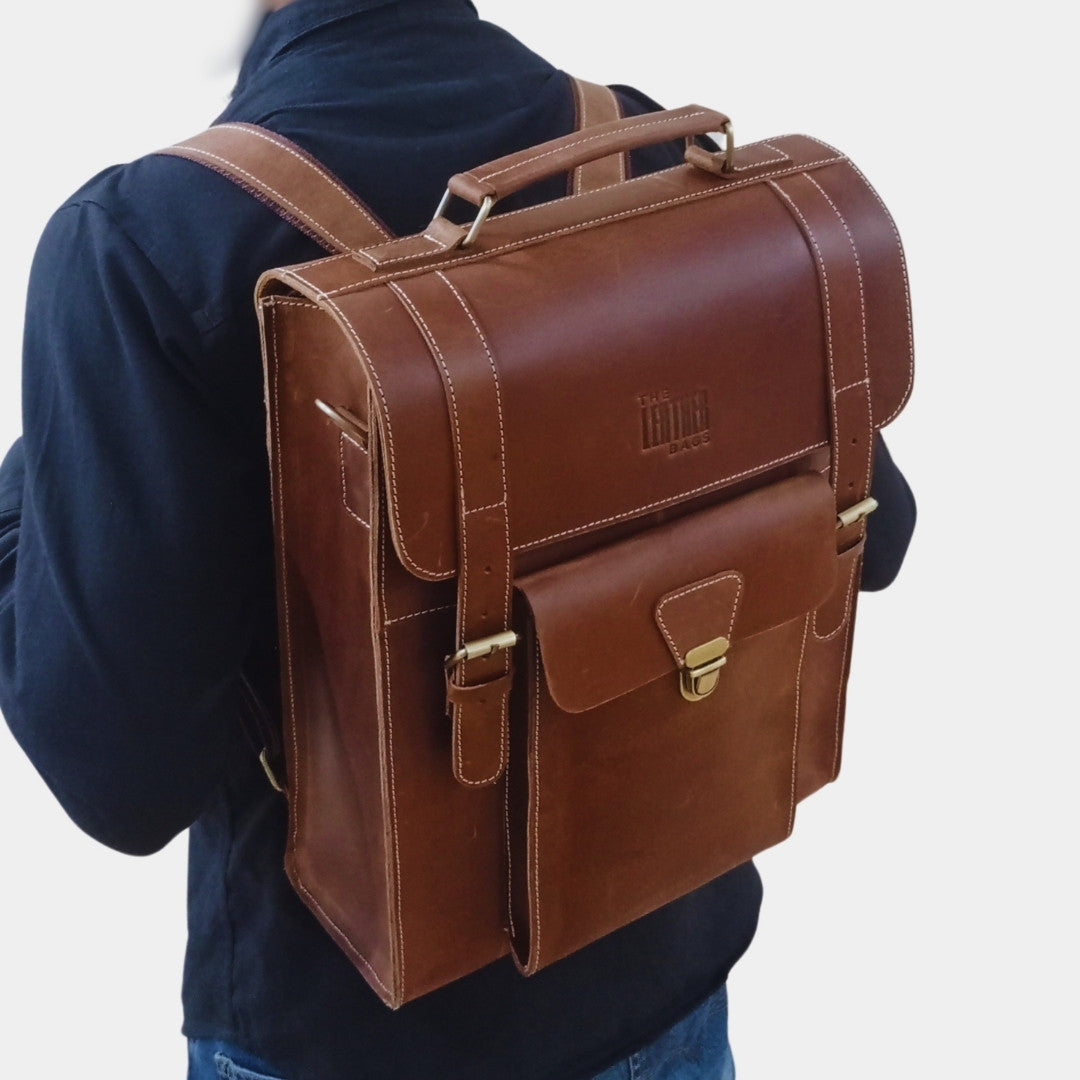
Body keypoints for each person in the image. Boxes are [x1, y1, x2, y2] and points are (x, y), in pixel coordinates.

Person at [0, 1, 916, 1077]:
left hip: (346, 1038)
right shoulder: (648, 146)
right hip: (671, 984)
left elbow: (122, 778)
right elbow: (877, 533)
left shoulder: (145, 247)